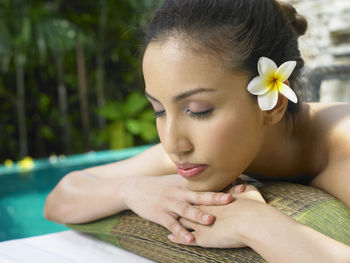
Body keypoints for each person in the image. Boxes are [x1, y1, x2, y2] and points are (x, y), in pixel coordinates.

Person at [44, 0, 350, 262]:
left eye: (198, 110)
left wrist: (256, 224)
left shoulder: (342, 145)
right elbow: (60, 199)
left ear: (272, 103)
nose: (173, 143)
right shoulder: (208, 150)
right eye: (159, 110)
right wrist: (131, 190)